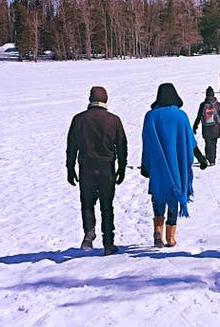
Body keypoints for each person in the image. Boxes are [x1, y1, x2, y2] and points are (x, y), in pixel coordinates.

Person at [141, 82, 208, 248]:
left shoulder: (150, 116)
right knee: (173, 198)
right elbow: (190, 142)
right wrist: (201, 158)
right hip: (176, 166)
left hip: (157, 167)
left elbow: (147, 143)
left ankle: (158, 231)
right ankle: (170, 237)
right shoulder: (181, 116)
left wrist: (145, 165)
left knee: (158, 197)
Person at [66, 85, 128, 254]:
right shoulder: (113, 120)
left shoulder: (79, 119)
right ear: (105, 100)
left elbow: (72, 146)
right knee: (107, 205)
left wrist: (70, 168)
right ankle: (108, 243)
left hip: (86, 167)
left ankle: (88, 234)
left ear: (90, 100)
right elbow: (121, 145)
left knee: (87, 203)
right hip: (106, 167)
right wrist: (121, 168)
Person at [193, 86, 220, 166]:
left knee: (207, 143)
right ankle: (212, 160)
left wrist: (195, 126)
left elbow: (199, 116)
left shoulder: (203, 105)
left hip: (206, 128)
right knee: (213, 144)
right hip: (215, 128)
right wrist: (218, 118)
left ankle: (207, 158)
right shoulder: (217, 104)